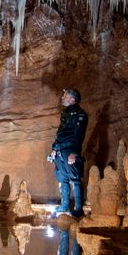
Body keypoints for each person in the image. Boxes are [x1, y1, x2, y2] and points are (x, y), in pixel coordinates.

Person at [47, 88, 88, 218]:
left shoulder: (80, 114)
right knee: (62, 178)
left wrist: (74, 152)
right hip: (60, 150)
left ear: (73, 99)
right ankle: (64, 205)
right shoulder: (66, 113)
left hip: (70, 150)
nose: (62, 97)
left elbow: (79, 135)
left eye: (65, 95)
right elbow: (60, 133)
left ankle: (78, 208)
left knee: (74, 179)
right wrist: (54, 148)